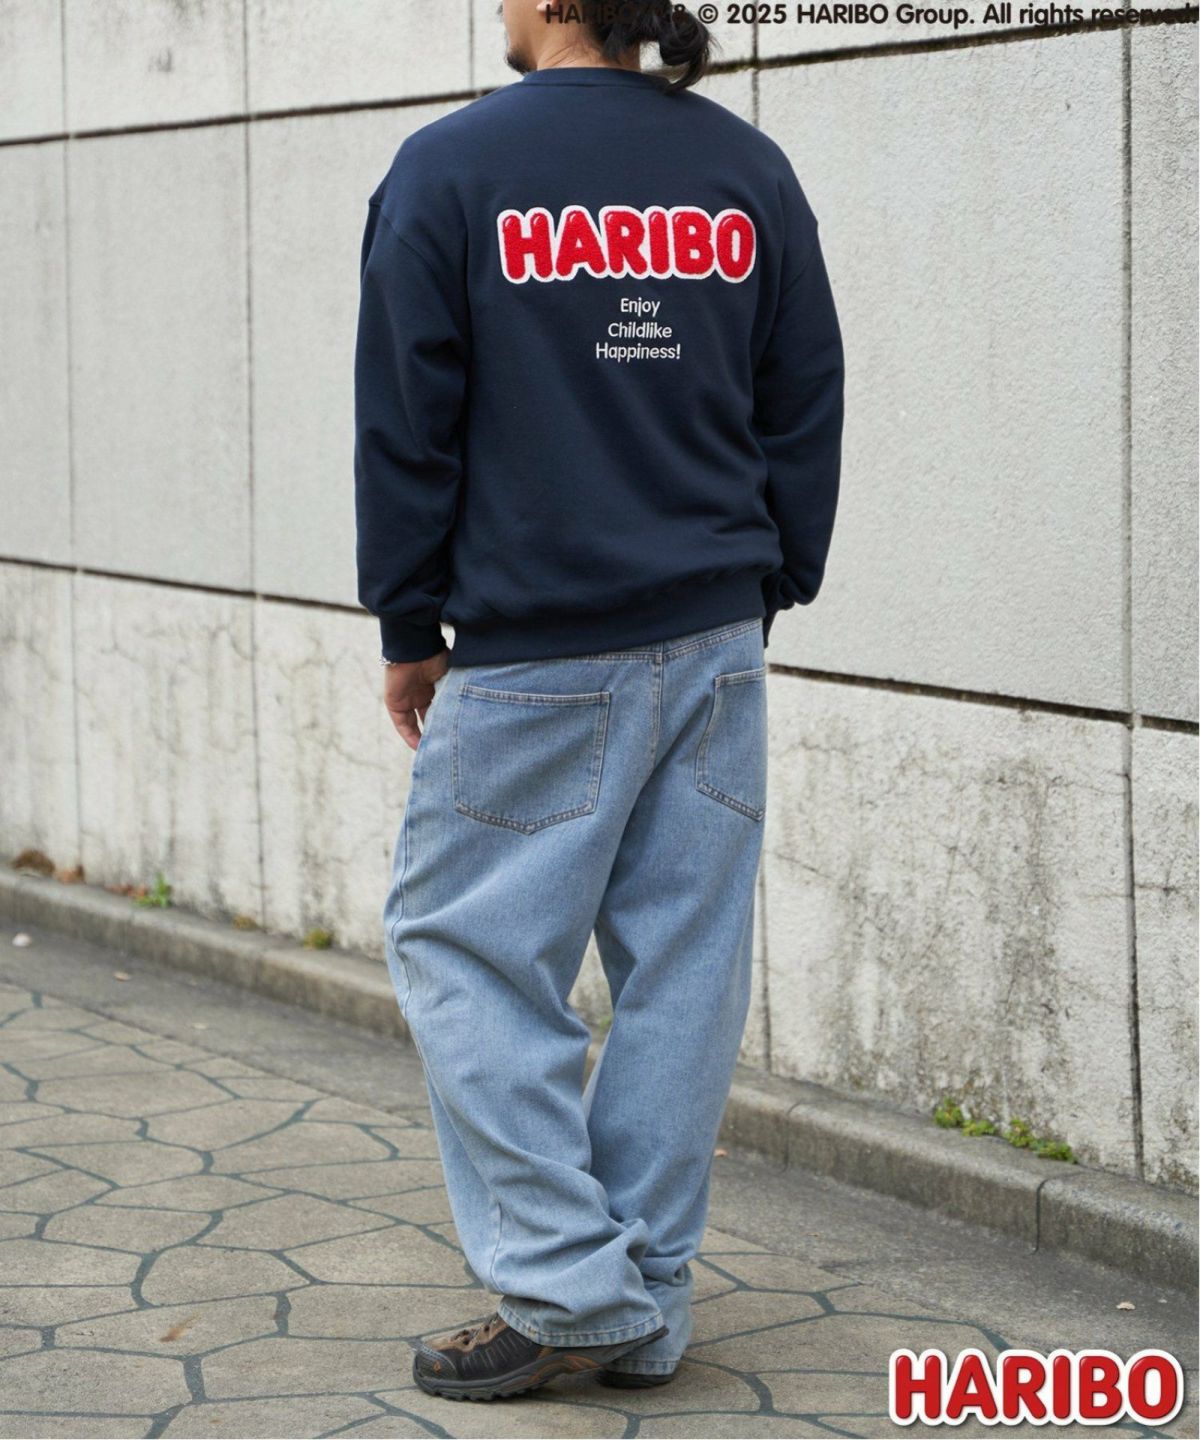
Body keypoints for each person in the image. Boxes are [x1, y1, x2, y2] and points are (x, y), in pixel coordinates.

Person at [353, 0, 844, 1403]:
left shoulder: (451, 168)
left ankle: (572, 1290)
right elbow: (804, 395)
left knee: (463, 950)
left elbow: (407, 417)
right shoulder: (744, 169)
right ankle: (642, 1301)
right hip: (714, 639)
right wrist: (768, 583)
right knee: (684, 971)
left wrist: (409, 621)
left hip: (539, 647)